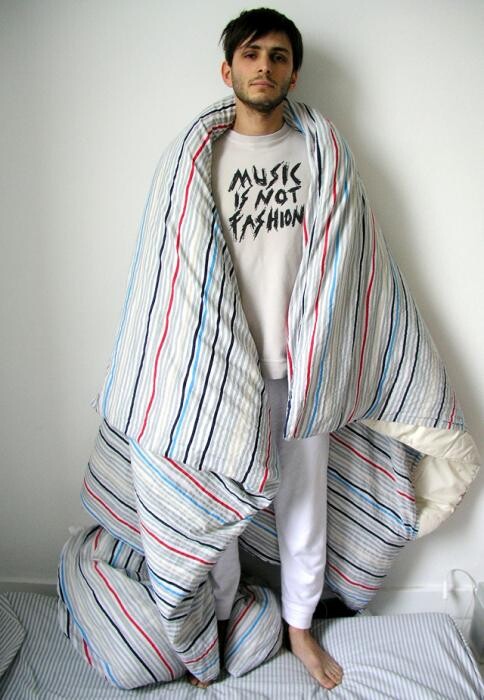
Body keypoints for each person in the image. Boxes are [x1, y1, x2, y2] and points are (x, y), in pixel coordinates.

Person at [206, 8, 343, 690]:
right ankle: (219, 618)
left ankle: (299, 628)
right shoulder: (199, 161)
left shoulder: (320, 155)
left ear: (293, 74)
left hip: (302, 361)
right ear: (227, 69)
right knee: (215, 501)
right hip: (222, 365)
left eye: (279, 56)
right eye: (252, 53)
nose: (265, 65)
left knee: (303, 501)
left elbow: (348, 256)